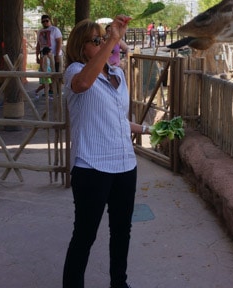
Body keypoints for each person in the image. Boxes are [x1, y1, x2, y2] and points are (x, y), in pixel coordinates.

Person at [62, 16, 152, 288]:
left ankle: (119, 283)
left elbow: (117, 120)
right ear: (80, 46)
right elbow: (83, 85)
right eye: (96, 40)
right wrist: (113, 39)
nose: (103, 43)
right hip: (91, 166)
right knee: (85, 235)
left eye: (104, 38)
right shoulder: (75, 72)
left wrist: (149, 130)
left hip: (125, 164)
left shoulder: (116, 74)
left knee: (122, 231)